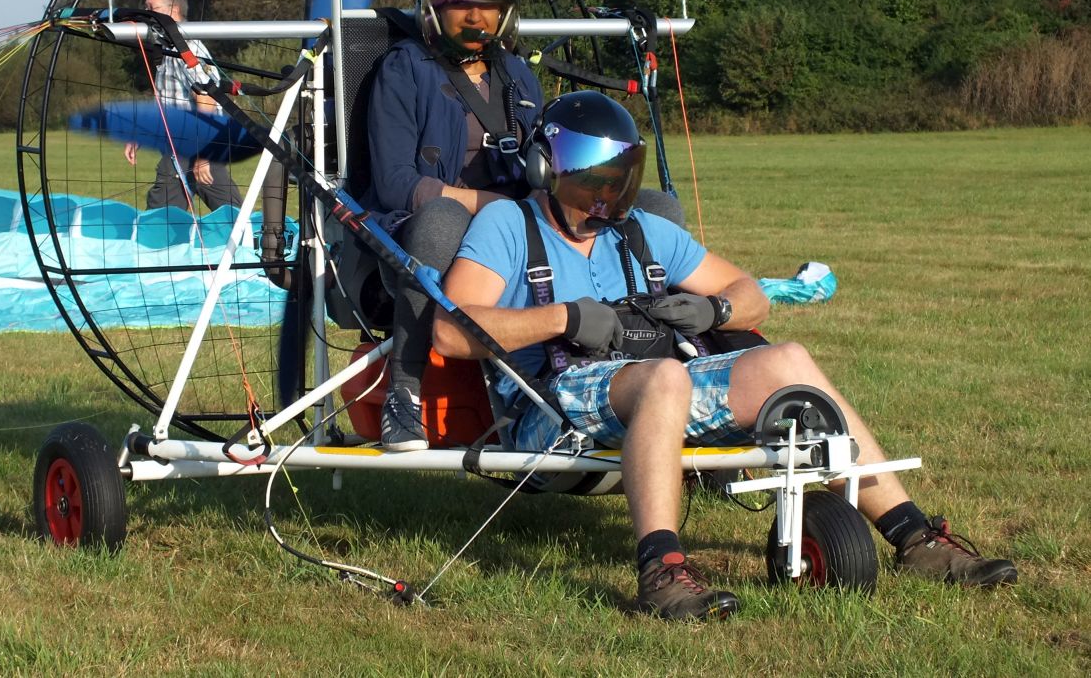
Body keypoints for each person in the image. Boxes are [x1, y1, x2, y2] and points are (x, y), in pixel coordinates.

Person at [432, 90, 1017, 620]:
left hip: (654, 386)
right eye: (590, 182)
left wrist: (716, 311)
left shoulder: (641, 232)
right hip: (549, 409)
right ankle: (662, 572)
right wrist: (565, 318)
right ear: (545, 170)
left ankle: (915, 538)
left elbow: (752, 295)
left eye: (617, 181)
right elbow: (451, 333)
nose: (604, 198)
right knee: (666, 376)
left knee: (787, 359)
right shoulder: (509, 225)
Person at [360, 0, 544, 451]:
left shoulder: (518, 75)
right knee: (441, 219)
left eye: (488, 7)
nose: (476, 19)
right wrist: (491, 207)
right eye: (460, 5)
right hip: (422, 230)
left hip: (515, 226)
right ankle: (404, 393)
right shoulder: (404, 69)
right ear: (433, 10)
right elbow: (395, 183)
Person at [123, 0, 243, 212]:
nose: (145, 14)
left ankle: (252, 233)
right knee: (226, 211)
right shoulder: (166, 48)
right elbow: (168, 100)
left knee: (162, 213)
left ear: (173, 10)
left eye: (152, 8)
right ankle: (247, 230)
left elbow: (207, 96)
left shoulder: (187, 47)